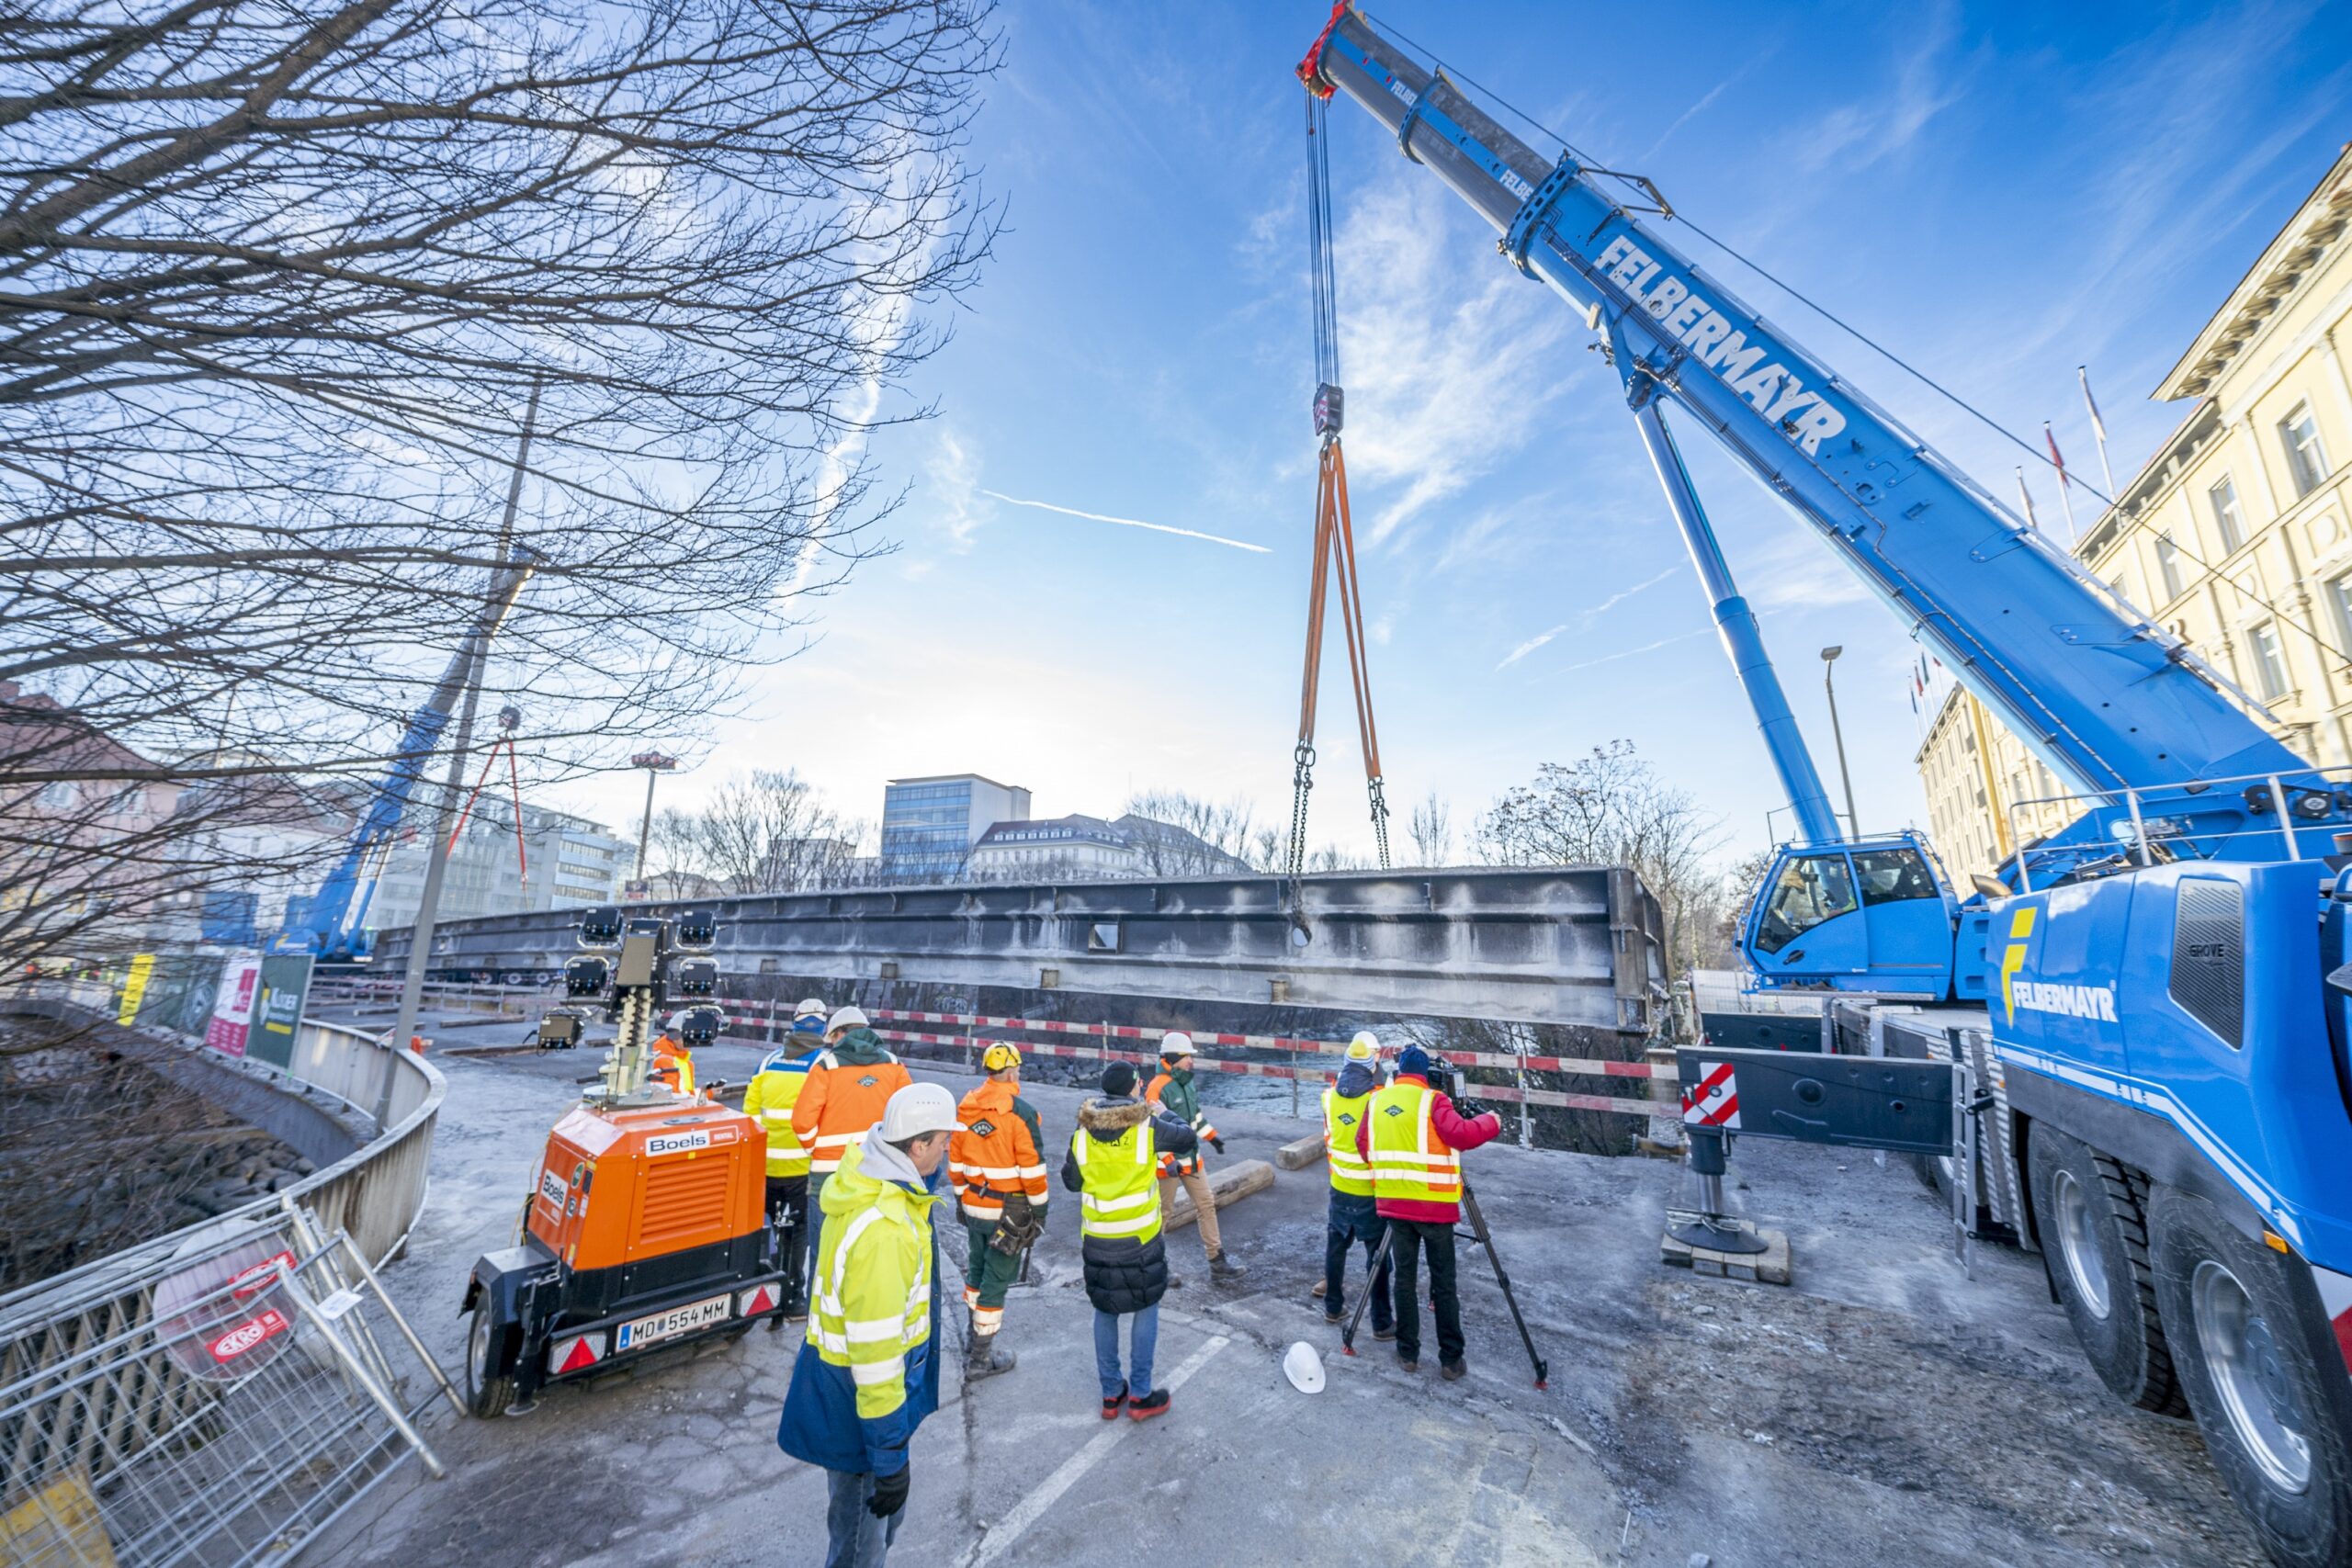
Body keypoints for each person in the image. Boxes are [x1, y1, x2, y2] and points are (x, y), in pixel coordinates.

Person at [776, 1082, 959, 1568]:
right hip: (863, 1413)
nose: (948, 1150)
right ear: (918, 1146)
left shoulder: (866, 1175)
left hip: (851, 1398)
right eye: (943, 1141)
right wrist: (889, 1454)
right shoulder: (885, 1230)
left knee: (862, 1529)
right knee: (861, 1546)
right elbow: (875, 1359)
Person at [1356, 1044, 1500, 1381]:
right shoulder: (1434, 1101)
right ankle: (1451, 1360)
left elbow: (1365, 1145)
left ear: (1398, 1072)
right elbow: (1462, 1135)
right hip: (1435, 1209)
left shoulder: (1376, 1101)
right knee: (1444, 1283)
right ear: (1426, 1076)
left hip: (1394, 1206)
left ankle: (1408, 1353)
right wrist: (1491, 1122)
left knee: (1404, 1280)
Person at [1062, 1062, 1195, 1420]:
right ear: (1135, 1089)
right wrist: (1167, 1113)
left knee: (1105, 1309)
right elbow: (1188, 1139)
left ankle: (1111, 1394)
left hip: (1097, 1239)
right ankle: (1140, 1395)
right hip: (1141, 1240)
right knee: (1146, 1306)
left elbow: (1072, 1182)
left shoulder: (1081, 1133)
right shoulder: (1147, 1128)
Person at [793, 1006, 914, 1298]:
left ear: (837, 1034)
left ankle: (822, 1329)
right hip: (880, 1176)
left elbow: (801, 1122)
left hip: (830, 1179)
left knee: (826, 1258)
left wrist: (816, 1149)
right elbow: (910, 1116)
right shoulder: (894, 1065)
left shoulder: (827, 1066)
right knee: (872, 1252)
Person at [948, 1042, 1047, 1382]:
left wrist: (963, 1200)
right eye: (1017, 1068)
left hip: (975, 1205)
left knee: (976, 1272)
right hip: (1010, 1212)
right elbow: (1033, 1172)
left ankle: (973, 1337)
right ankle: (980, 1359)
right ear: (1011, 1071)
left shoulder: (967, 1109)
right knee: (996, 1281)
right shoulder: (1021, 1113)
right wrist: (1040, 1213)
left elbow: (956, 1162)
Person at [743, 998, 829, 1324]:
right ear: (823, 1026)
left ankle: (770, 1288)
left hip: (766, 1169)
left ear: (794, 1024)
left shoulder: (767, 1063)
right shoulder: (823, 1064)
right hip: (800, 1171)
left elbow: (749, 1115)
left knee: (775, 1230)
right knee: (797, 1233)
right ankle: (792, 1298)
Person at [1146, 1033, 1246, 1285]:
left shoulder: (1187, 1083)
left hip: (1192, 1160)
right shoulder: (1156, 1088)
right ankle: (1155, 1266)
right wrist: (1168, 1159)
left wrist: (1213, 1137)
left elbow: (1195, 1118)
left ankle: (1217, 1262)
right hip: (1166, 1166)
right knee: (1163, 1214)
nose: (1191, 1060)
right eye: (1188, 1056)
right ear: (1175, 1058)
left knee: (1206, 1204)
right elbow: (1151, 1128)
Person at [1317, 1032, 1392, 1339]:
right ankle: (1382, 1322)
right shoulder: (1377, 1100)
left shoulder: (1328, 1096)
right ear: (1373, 1061)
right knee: (1379, 1259)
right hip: (1369, 1192)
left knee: (1336, 1248)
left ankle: (1333, 1307)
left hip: (1339, 1185)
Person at [649, 1024, 695, 1096]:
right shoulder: (663, 1061)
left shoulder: (685, 1063)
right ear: (675, 1038)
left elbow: (689, 1095)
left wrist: (709, 1093)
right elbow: (667, 1097)